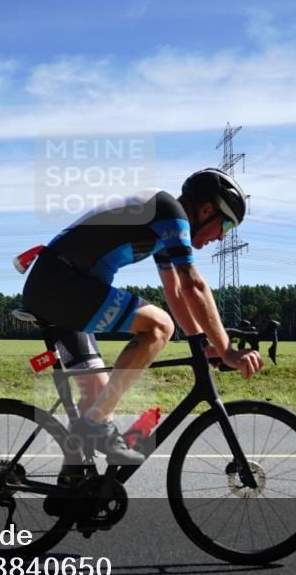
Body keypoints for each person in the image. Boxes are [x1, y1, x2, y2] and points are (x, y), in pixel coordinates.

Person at [21, 168, 264, 465]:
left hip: (58, 287)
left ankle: (74, 485)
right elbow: (193, 286)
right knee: (159, 325)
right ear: (206, 209)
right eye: (225, 226)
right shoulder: (169, 211)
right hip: (61, 285)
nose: (221, 237)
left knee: (97, 398)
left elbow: (175, 292)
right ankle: (97, 427)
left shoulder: (163, 226)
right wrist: (226, 350)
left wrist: (200, 343)